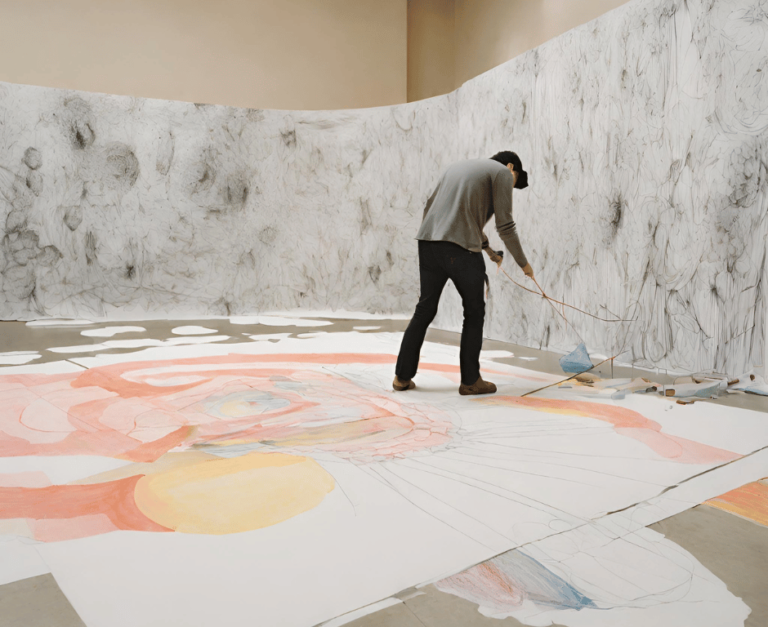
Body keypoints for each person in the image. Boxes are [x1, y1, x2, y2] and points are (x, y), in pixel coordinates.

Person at [393, 151, 534, 395]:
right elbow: (505, 225)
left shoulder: (458, 167)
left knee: (425, 308)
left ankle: (401, 377)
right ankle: (471, 380)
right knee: (474, 311)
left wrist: (488, 250)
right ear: (511, 167)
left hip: (428, 241)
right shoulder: (501, 173)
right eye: (515, 180)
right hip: (459, 250)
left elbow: (443, 211)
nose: (511, 186)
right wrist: (524, 264)